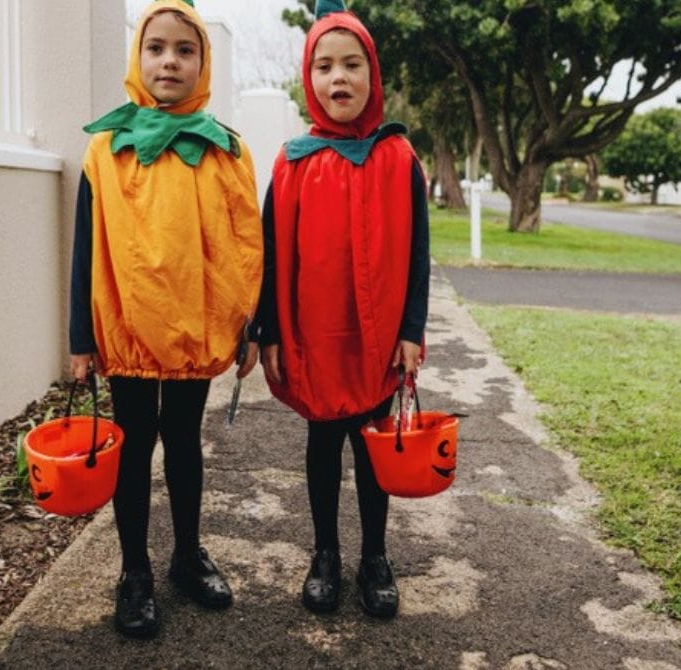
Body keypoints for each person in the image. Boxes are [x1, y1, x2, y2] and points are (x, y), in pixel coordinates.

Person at [69, 0, 262, 639]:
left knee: (182, 440)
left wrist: (247, 325)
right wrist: (80, 337)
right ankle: (134, 572)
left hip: (192, 324)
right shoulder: (106, 149)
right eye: (156, 48)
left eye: (185, 50)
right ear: (138, 56)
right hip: (126, 323)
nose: (169, 61)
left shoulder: (223, 149)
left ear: (203, 62)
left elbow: (244, 244)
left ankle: (185, 554)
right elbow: (85, 246)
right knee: (133, 443)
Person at [254, 0, 430, 620]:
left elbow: (418, 254)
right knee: (323, 441)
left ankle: (374, 557)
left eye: (352, 64)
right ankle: (325, 553)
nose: (339, 79)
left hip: (377, 335)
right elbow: (269, 252)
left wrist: (411, 329)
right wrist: (269, 329)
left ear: (372, 74)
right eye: (325, 66)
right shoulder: (293, 161)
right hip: (315, 333)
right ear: (310, 78)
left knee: (373, 444)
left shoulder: (399, 158)